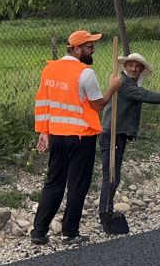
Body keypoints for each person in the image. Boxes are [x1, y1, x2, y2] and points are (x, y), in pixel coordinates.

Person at [30, 29, 119, 246]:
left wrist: (44, 131)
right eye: (89, 46)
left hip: (58, 136)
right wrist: (113, 88)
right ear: (76, 48)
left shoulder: (49, 70)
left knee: (53, 183)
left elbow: (43, 103)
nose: (93, 49)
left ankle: (38, 232)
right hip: (81, 136)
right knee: (77, 184)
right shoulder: (85, 73)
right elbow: (98, 104)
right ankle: (70, 232)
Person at [98, 52, 160, 233]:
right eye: (131, 65)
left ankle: (107, 210)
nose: (134, 69)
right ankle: (105, 214)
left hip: (119, 133)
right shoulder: (122, 83)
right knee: (111, 177)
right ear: (125, 66)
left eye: (138, 66)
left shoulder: (129, 84)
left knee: (114, 177)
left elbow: (143, 96)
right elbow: (144, 95)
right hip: (111, 133)